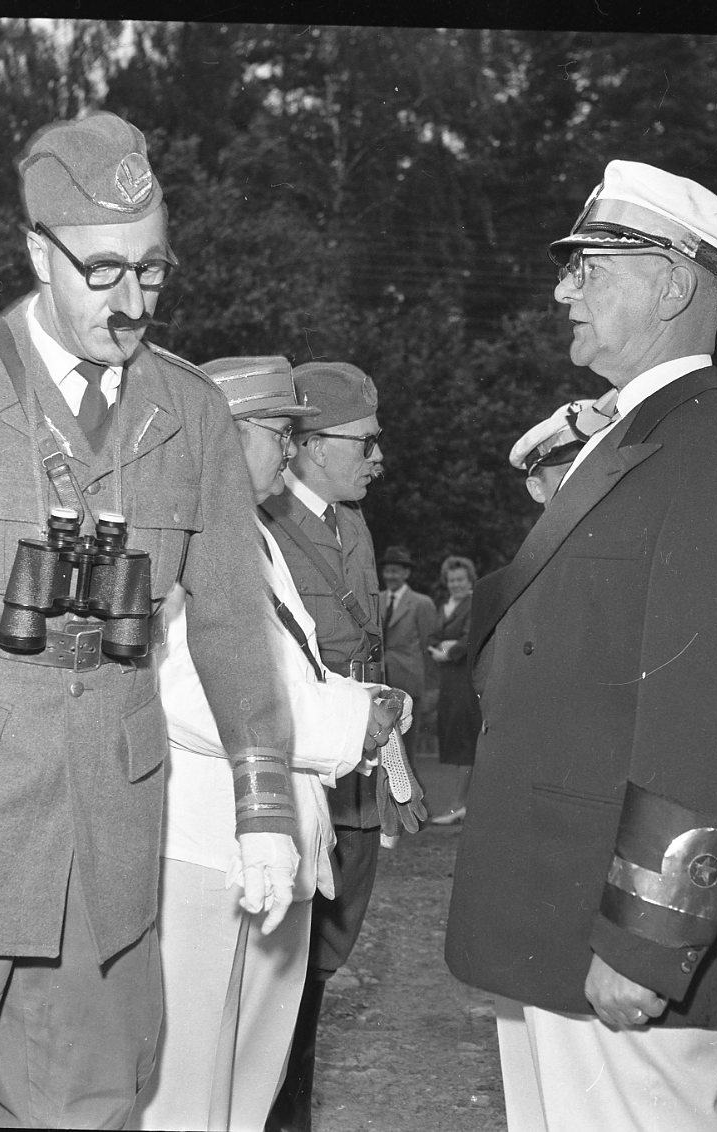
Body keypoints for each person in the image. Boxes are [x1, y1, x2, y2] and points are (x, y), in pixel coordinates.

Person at [0, 112, 295, 1127]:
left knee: (84, 1106)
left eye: (152, 271)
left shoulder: (193, 415)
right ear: (38, 253)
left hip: (104, 833)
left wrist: (264, 806)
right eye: (102, 271)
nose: (131, 303)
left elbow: (231, 621)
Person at [445, 159, 717, 1131]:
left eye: (590, 267)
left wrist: (649, 941)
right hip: (554, 916)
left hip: (615, 940)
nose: (564, 291)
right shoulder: (629, 441)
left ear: (674, 283)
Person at [129, 356, 406, 1132]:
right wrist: (344, 726)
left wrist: (356, 705)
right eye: (280, 430)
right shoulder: (178, 528)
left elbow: (287, 667)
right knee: (185, 1088)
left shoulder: (247, 532)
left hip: (262, 842)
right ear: (226, 433)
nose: (292, 448)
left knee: (247, 1083)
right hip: (206, 848)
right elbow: (184, 690)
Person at [260, 361, 387, 1132]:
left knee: (322, 967)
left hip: (357, 780)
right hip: (300, 776)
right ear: (307, 445)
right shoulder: (264, 529)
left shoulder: (353, 526)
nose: (379, 458)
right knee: (284, 976)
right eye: (364, 442)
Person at [427, 555, 483, 824]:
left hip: (464, 678)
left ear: (470, 580)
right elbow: (432, 638)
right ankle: (461, 805)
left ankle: (458, 806)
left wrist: (449, 651)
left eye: (461, 579)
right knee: (456, 737)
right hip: (448, 680)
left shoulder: (473, 605)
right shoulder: (445, 606)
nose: (456, 584)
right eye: (451, 580)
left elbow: (469, 639)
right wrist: (442, 648)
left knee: (465, 740)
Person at [378, 545, 437, 754]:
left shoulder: (422, 603)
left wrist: (425, 682)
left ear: (406, 573)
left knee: (406, 743)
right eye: (387, 571)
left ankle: (409, 776)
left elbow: (428, 645)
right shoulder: (376, 599)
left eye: (395, 571)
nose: (390, 576)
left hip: (408, 679)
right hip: (381, 679)